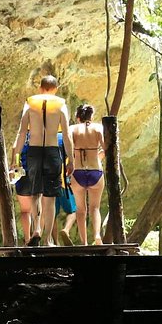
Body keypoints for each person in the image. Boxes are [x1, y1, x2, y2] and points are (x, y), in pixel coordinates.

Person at [9, 75, 73, 246]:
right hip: (52, 151)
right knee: (50, 197)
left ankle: (36, 228)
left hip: (34, 152)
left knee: (35, 193)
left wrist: (16, 158)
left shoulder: (30, 103)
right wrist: (71, 159)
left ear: (40, 87)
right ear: (55, 88)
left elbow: (22, 132)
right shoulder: (60, 104)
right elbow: (66, 135)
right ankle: (47, 239)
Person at [68, 103, 105, 245]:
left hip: (78, 172)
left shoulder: (73, 129)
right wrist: (99, 156)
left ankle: (84, 242)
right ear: (91, 116)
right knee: (95, 207)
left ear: (78, 117)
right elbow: (106, 147)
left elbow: (69, 148)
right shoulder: (99, 128)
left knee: (80, 210)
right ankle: (96, 235)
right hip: (96, 170)